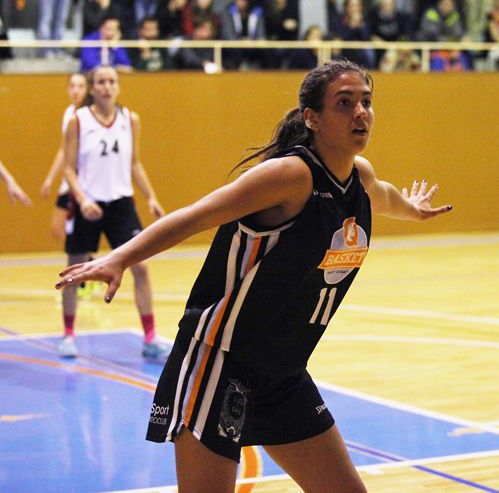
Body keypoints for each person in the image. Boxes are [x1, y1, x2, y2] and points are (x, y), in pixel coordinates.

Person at [56, 59, 452, 492]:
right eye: (344, 103)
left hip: (284, 372)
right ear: (312, 118)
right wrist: (120, 258)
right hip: (220, 362)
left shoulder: (359, 176)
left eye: (366, 102)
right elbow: (196, 215)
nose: (360, 113)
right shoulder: (289, 176)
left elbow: (383, 196)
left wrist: (413, 209)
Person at [57, 65, 166, 359]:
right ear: (93, 88)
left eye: (112, 82)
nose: (107, 86)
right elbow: (68, 168)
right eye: (101, 82)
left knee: (140, 267)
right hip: (88, 204)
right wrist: (82, 200)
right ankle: (68, 334)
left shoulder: (130, 119)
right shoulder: (78, 121)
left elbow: (135, 163)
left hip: (120, 203)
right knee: (75, 268)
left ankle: (150, 336)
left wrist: (151, 197)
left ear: (118, 86)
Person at [40, 72, 89, 243]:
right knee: (58, 229)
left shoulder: (90, 115)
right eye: (72, 86)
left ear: (88, 89)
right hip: (68, 181)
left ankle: (88, 264)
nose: (76, 90)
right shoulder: (69, 113)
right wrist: (50, 179)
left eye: (80, 86)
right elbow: (63, 149)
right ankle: (88, 263)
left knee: (76, 232)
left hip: (85, 181)